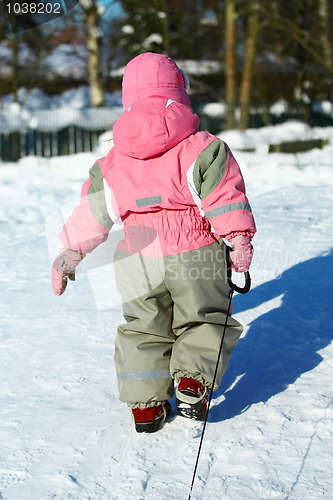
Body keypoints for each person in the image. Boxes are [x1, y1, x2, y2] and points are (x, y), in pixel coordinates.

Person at [51, 52, 256, 433]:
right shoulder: (202, 147)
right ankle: (193, 383)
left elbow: (93, 213)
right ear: (179, 91)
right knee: (204, 317)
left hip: (135, 258)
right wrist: (237, 236)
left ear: (128, 97)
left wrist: (69, 252)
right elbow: (222, 196)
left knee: (143, 326)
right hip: (193, 249)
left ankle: (145, 406)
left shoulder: (112, 161)